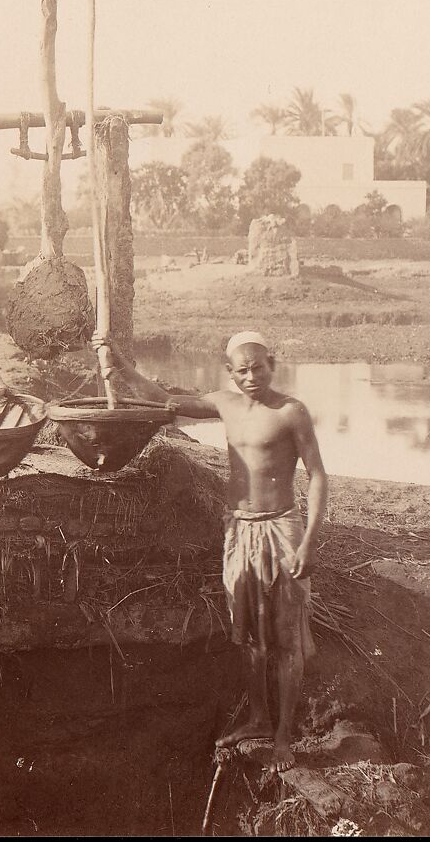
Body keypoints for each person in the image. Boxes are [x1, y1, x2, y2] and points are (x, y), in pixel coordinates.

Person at [93, 330, 328, 772]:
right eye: (242, 370)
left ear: (271, 364)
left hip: (282, 528)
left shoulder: (292, 412)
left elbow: (317, 475)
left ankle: (283, 737)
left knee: (286, 637)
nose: (252, 376)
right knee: (250, 636)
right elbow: (165, 399)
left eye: (259, 366)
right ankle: (258, 718)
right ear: (230, 373)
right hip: (239, 530)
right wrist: (119, 364)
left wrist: (309, 541)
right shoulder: (225, 403)